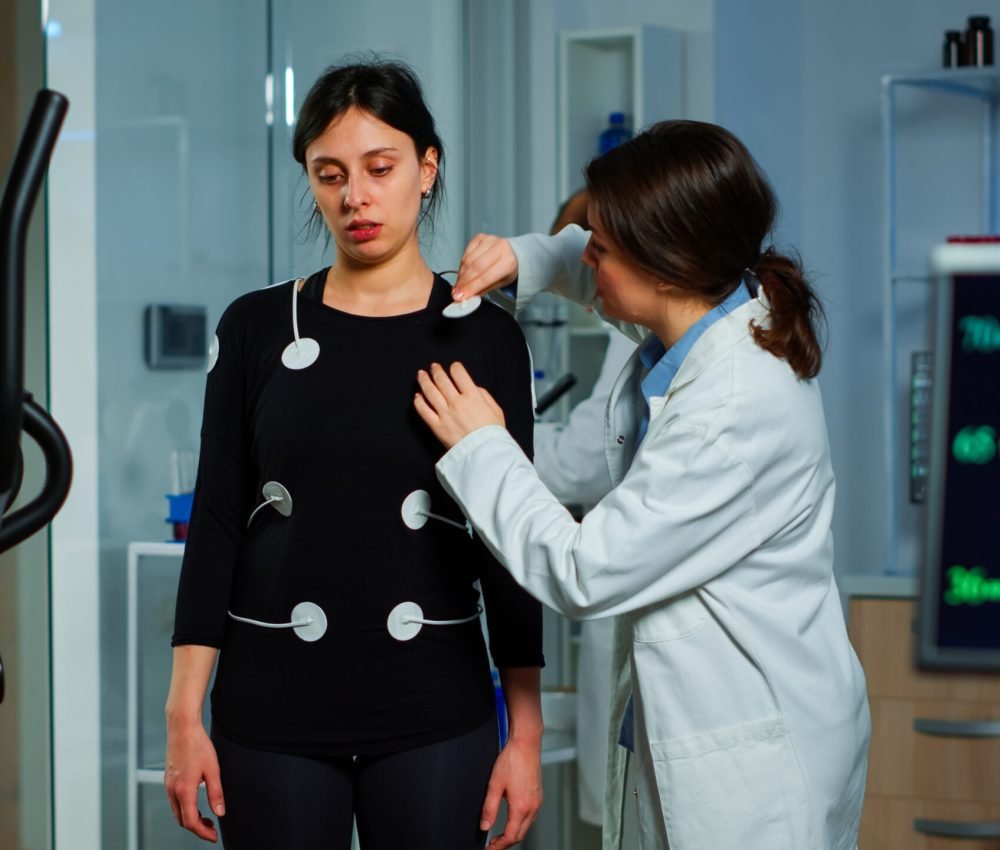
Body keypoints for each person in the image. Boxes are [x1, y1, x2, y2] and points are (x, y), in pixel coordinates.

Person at [413, 119, 871, 850]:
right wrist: (523, 256)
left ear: (667, 264)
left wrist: (482, 446)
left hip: (753, 766)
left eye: (602, 244)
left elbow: (584, 572)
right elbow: (589, 273)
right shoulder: (707, 314)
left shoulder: (731, 405)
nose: (586, 256)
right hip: (689, 725)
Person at [163, 58, 544, 850]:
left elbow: (513, 549)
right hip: (271, 708)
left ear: (426, 168)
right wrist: (181, 716)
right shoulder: (260, 327)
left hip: (435, 707)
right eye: (329, 173)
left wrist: (526, 733)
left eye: (380, 168)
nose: (354, 197)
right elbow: (219, 526)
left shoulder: (487, 335)